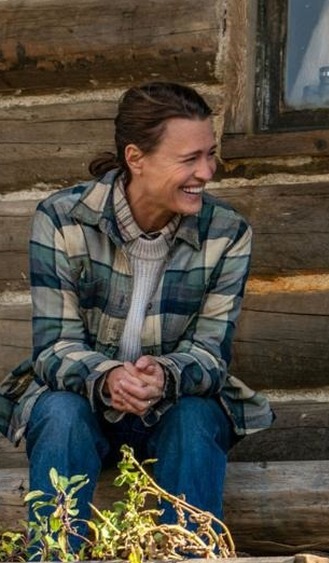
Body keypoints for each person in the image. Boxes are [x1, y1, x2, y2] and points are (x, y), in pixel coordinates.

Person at [0, 82, 274, 546]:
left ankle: (187, 554)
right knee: (60, 412)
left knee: (195, 416)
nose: (206, 172)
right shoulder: (63, 218)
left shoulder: (227, 234)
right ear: (135, 157)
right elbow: (54, 348)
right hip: (83, 409)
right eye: (190, 159)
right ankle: (52, 554)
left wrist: (162, 376)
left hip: (173, 411)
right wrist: (109, 378)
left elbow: (210, 355)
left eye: (211, 154)